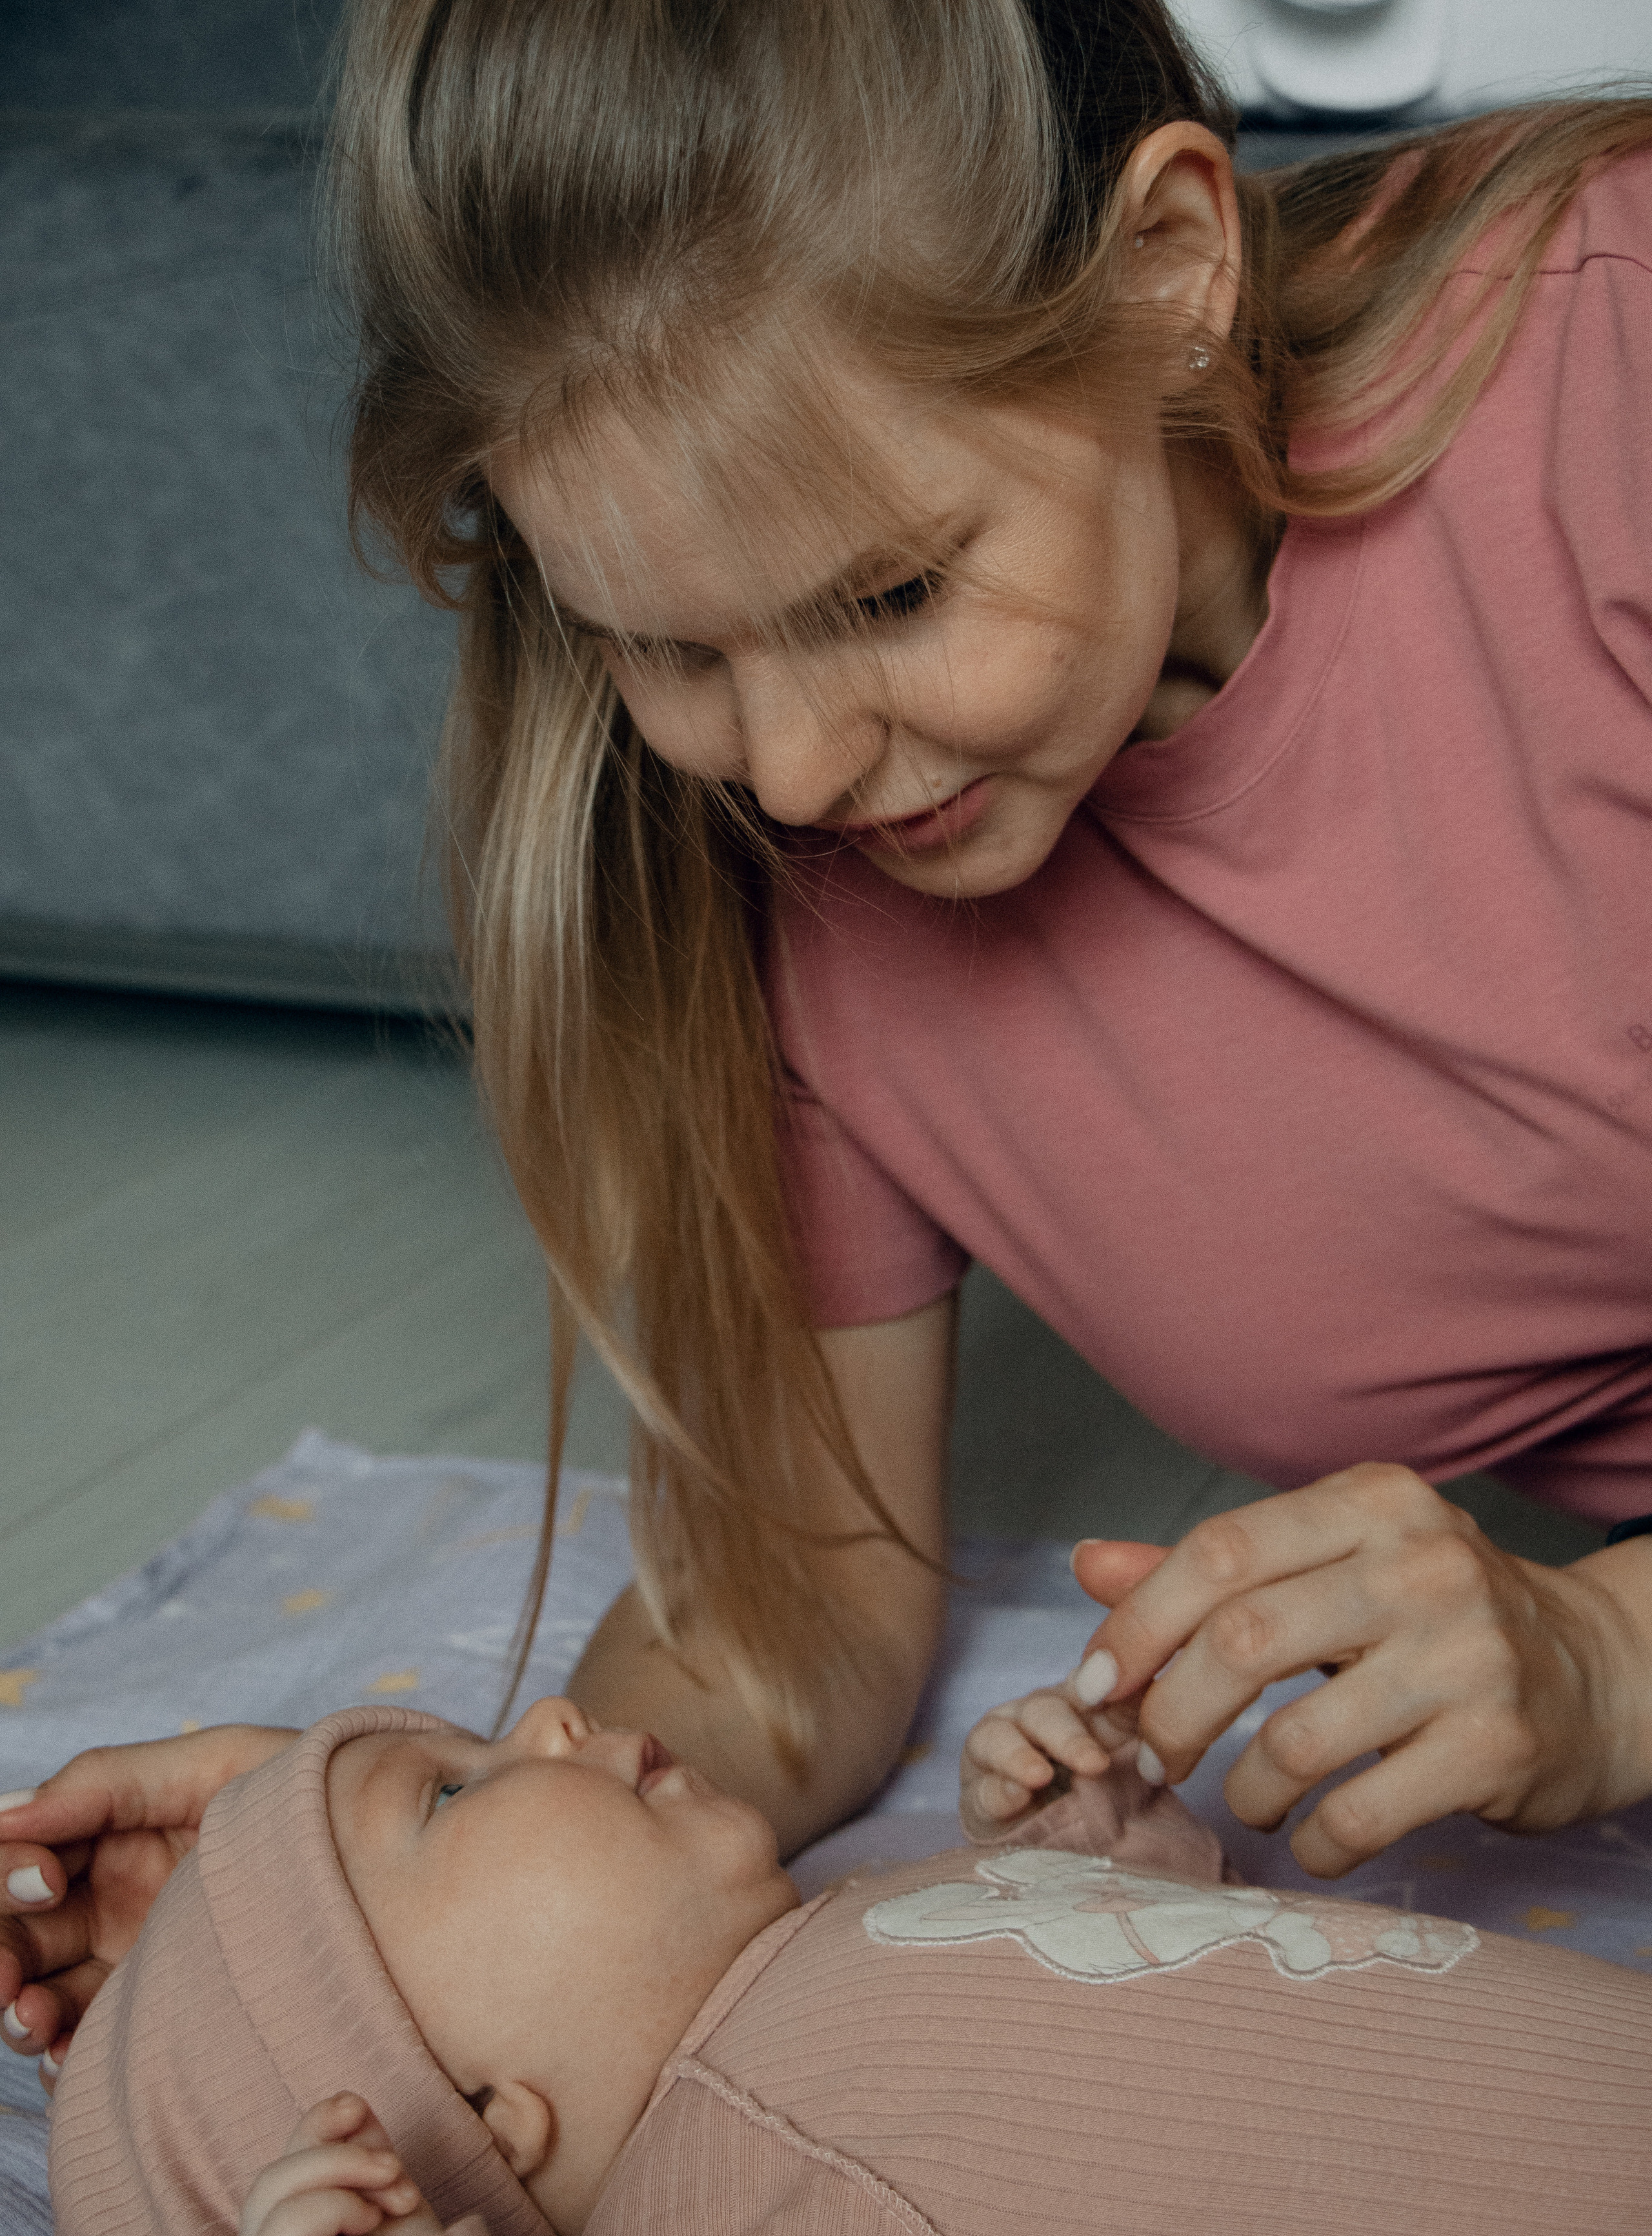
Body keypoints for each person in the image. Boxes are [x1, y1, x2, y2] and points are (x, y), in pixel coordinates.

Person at [6, 0, 1652, 2071]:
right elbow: (786, 1631)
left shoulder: (1611, 376)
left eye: (888, 595)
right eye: (667, 645)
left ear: (1170, 272)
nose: (790, 771)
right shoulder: (778, 888)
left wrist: (1606, 1660)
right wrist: (398, 1881)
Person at [2, 1696, 1647, 2236]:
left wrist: (1092, 1840)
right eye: (453, 1790)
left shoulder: (842, 1921)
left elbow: (1167, 2010)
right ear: (483, 2118)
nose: (554, 1712)